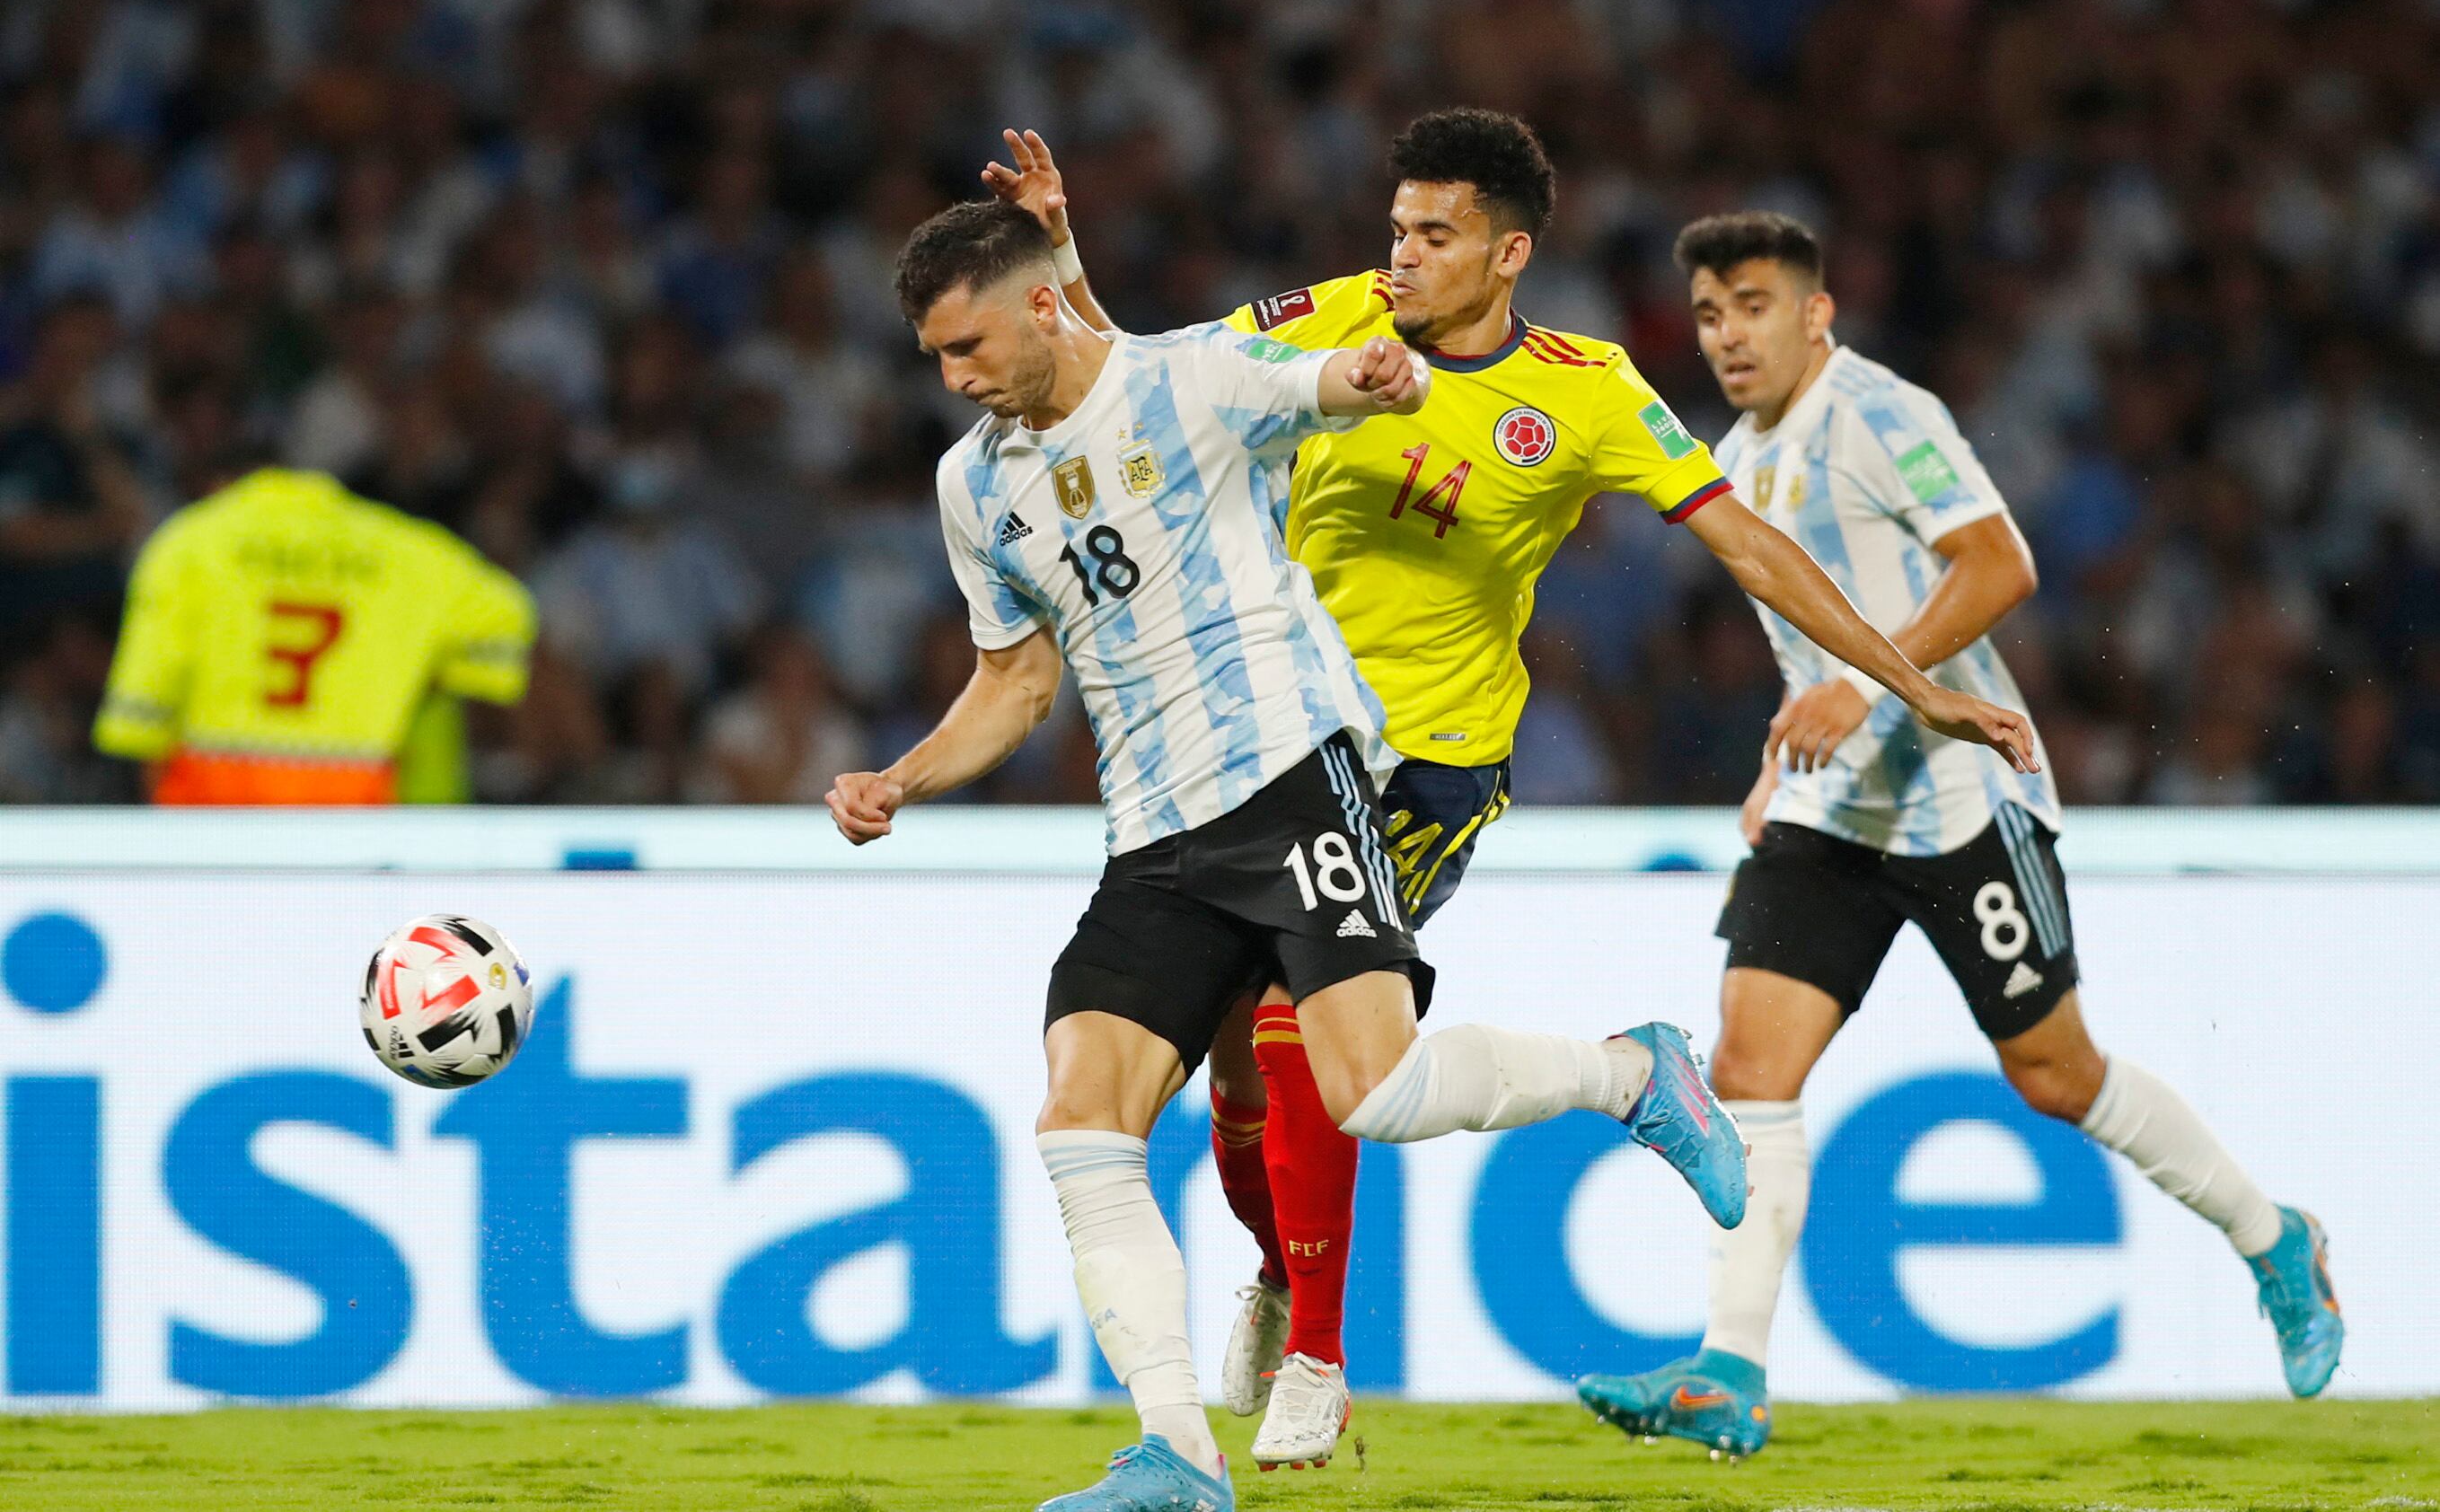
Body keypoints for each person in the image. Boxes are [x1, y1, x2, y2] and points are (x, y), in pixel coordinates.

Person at [987, 110, 2042, 1467]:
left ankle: (1317, 1349)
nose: (1401, 256)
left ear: (1508, 252)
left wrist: (1915, 679)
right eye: (1395, 230)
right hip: (1270, 742)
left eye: (1433, 235)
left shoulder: (1588, 391)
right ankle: (1287, 1270)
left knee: (1301, 1033)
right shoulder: (1334, 321)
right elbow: (1138, 377)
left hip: (1426, 765)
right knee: (1235, 1093)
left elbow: (1754, 549)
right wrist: (1062, 244)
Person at [826, 199, 1761, 1512]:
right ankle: (1176, 1454)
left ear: (1043, 304)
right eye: (934, 357)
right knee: (1080, 1119)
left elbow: (1318, 377)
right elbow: (1015, 682)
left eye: (967, 344)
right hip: (1150, 834)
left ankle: (1631, 1072)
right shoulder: (973, 484)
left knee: (1372, 1089)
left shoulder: (1189, 379)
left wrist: (1367, 376)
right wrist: (901, 777)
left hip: (1288, 786)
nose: (954, 378)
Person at [1575, 213, 2344, 1459]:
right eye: (1710, 314)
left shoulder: (1881, 414)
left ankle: (2275, 1237)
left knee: (2054, 1075)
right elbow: (1804, 636)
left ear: (1817, 312)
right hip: (1833, 814)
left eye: (1755, 306)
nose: (1729, 336)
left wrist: (1865, 689)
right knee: (1749, 1070)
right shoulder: (1733, 456)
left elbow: (1999, 565)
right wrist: (1787, 747)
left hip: (1956, 799)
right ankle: (1729, 1369)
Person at [92, 456, 533, 803]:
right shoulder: (406, 547)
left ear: (219, 488)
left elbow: (140, 719)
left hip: (216, 803)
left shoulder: (191, 539)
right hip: (351, 801)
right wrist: (426, 671)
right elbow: (509, 615)